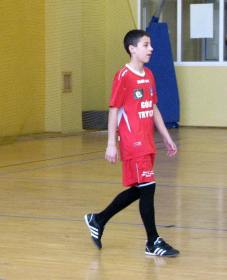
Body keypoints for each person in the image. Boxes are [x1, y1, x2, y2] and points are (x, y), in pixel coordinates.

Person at [84, 29, 180, 257]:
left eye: (150, 45)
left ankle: (98, 219)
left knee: (140, 189)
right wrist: (111, 143)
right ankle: (152, 241)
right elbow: (114, 109)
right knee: (148, 187)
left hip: (147, 141)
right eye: (146, 45)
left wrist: (166, 137)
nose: (151, 49)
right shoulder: (123, 76)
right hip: (132, 141)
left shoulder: (149, 75)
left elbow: (153, 106)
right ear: (132, 49)